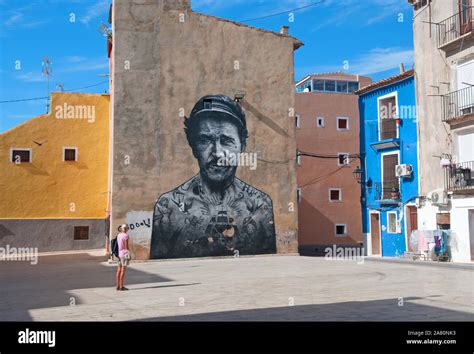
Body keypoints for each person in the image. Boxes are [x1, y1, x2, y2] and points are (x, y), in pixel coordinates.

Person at [150, 94, 276, 259]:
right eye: (205, 140)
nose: (217, 153)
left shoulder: (260, 205)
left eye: (226, 141)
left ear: (242, 146)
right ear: (193, 146)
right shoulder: (169, 206)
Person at [116, 224, 130, 291]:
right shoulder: (126, 235)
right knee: (123, 270)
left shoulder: (119, 235)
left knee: (118, 270)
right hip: (124, 254)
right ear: (126, 229)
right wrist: (129, 254)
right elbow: (126, 246)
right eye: (127, 228)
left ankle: (117, 286)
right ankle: (122, 286)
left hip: (119, 254)